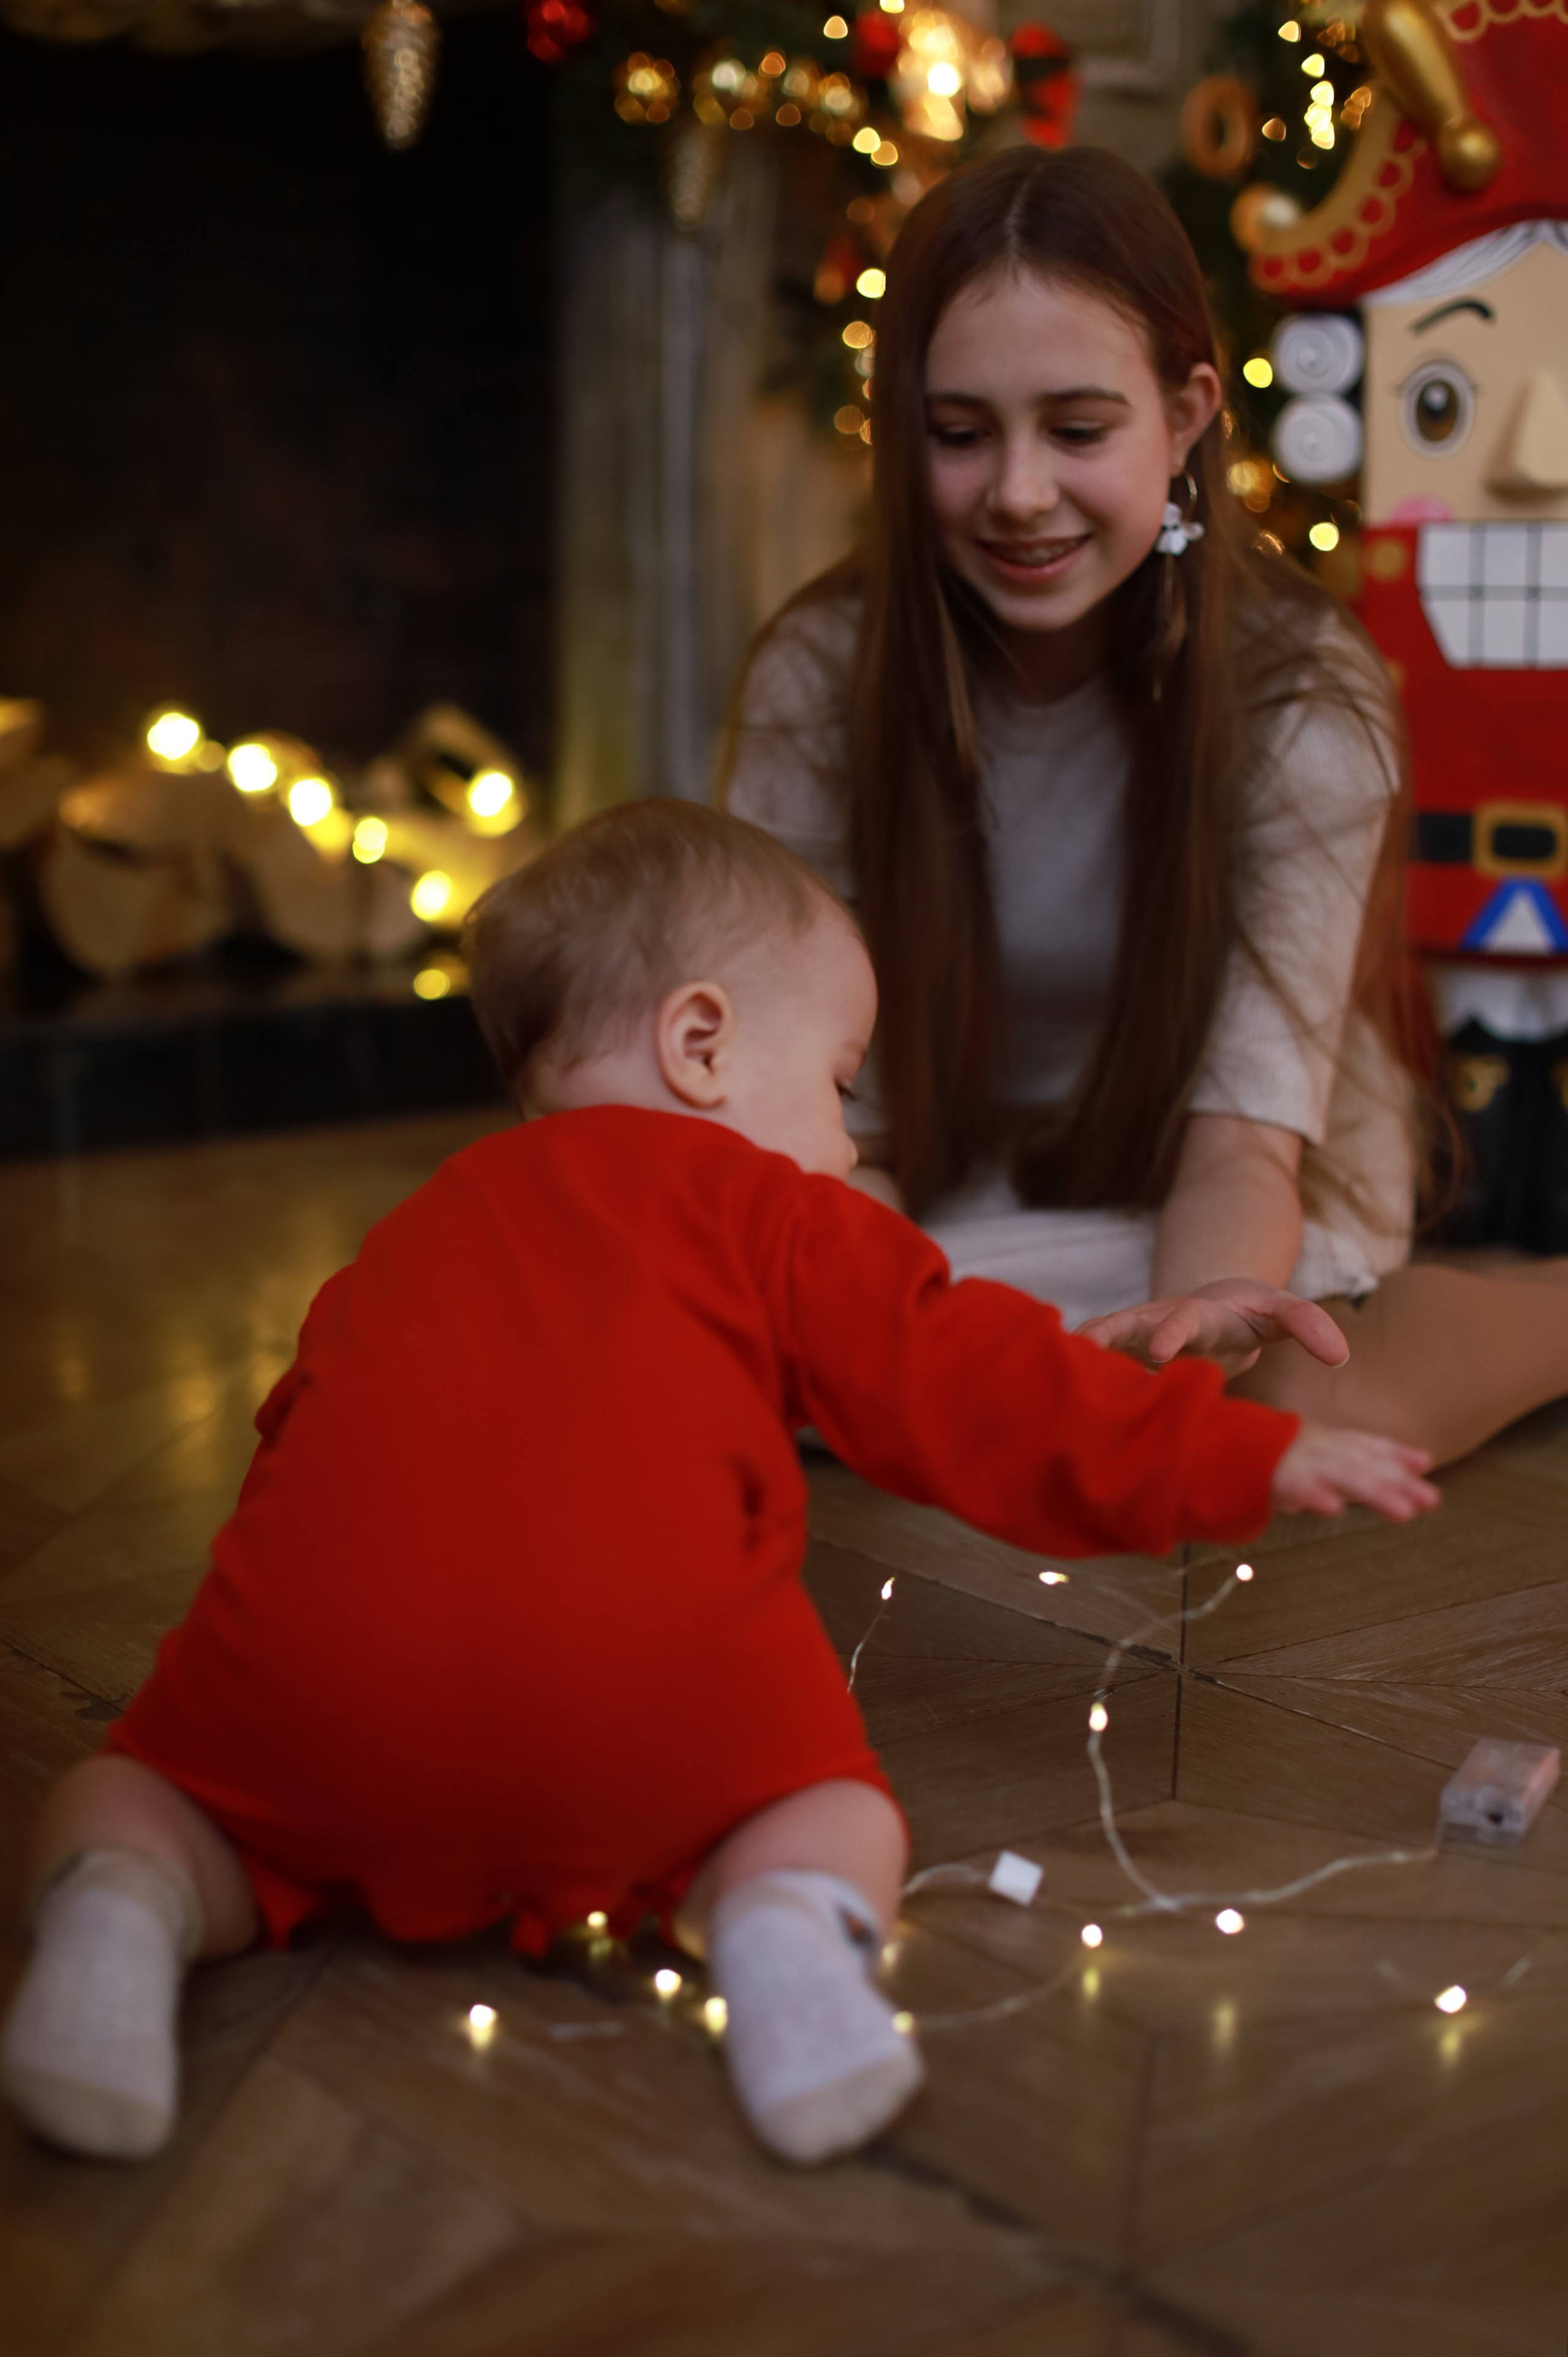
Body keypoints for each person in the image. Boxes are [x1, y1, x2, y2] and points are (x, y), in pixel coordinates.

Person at [1, 803, 1435, 2173]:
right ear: (701, 1044)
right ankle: (785, 1946)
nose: (848, 1141)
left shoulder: (412, 1227)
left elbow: (298, 1438)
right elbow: (959, 1382)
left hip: (309, 1695)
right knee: (827, 1811)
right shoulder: (771, 1205)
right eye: (834, 1083)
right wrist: (1230, 1451)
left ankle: (117, 1925)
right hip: (641, 1709)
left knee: (139, 1799)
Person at [723, 145, 1568, 1467]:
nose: (1015, 491)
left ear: (1183, 414)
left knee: (1251, 1400)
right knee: (767, 1370)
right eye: (958, 434)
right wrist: (881, 1329)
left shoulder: (1302, 695)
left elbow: (1243, 1146)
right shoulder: (817, 674)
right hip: (938, 1183)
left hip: (1237, 1179)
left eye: (1075, 429)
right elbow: (818, 1131)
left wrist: (1194, 1322)